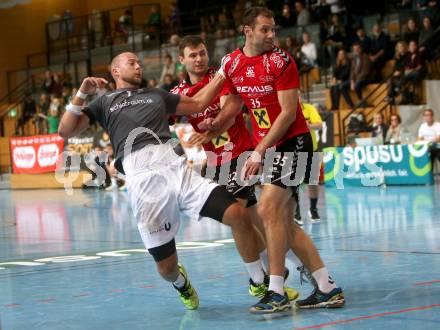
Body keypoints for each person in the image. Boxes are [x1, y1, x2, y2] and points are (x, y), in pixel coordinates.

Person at [58, 52, 267, 312]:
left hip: (174, 166)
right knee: (166, 269)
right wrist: (81, 93)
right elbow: (65, 130)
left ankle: (258, 280)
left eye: (138, 62)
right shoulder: (104, 103)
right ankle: (180, 283)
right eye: (131, 63)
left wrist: (223, 72)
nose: (138, 66)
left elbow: (200, 102)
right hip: (144, 183)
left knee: (237, 214)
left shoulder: (157, 94)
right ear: (115, 71)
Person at [204, 7, 344, 313]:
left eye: (273, 30)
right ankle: (327, 287)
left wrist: (258, 151)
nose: (271, 35)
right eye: (265, 29)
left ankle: (277, 291)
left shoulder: (281, 61)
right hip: (272, 148)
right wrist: (215, 125)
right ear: (247, 30)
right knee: (284, 223)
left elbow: (288, 113)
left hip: (294, 143)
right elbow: (233, 105)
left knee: (267, 209)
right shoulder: (233, 62)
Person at [172, 35, 300, 302]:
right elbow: (163, 117)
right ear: (181, 60)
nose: (199, 59)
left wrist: (212, 127)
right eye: (192, 55)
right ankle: (280, 272)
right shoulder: (178, 94)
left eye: (202, 53)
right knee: (253, 220)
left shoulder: (222, 78)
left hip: (240, 156)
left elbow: (231, 109)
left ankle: (259, 281)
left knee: (236, 216)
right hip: (217, 163)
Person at [294, 101, 323, 225]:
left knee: (313, 182)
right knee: (294, 184)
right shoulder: (286, 108)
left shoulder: (309, 108)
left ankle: (313, 209)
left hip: (312, 149)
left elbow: (319, 125)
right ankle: (296, 211)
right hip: (294, 150)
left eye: (298, 94)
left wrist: (308, 125)